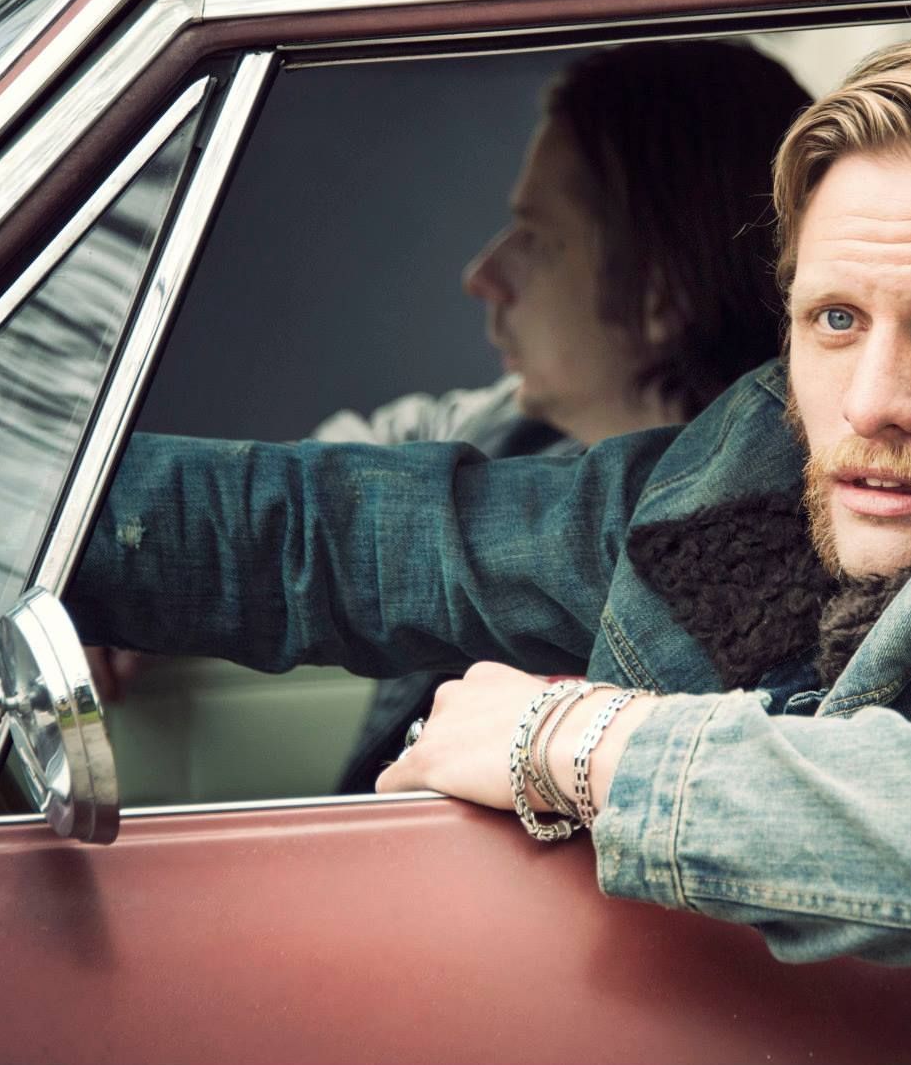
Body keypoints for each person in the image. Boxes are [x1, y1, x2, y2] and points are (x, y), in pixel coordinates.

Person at [67, 33, 911, 999]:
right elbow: (343, 540)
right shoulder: (755, 488)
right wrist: (18, 515)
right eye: (834, 320)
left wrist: (569, 739)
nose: (873, 403)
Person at [306, 41, 811, 785]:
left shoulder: (740, 602)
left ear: (661, 294)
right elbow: (369, 453)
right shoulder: (522, 431)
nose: (482, 275)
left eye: (538, 238)